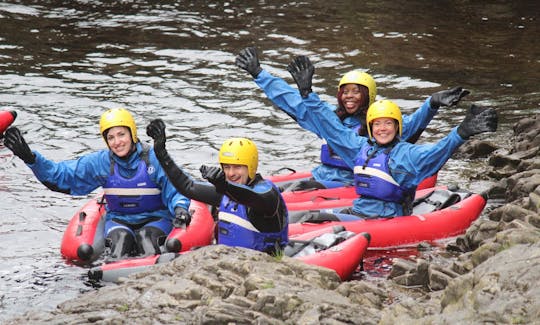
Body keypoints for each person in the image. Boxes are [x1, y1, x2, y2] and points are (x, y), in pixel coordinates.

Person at [270, 55, 497, 218]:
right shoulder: (360, 147)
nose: (382, 129)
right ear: (370, 127)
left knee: (312, 216)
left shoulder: (405, 155)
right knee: (302, 217)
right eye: (377, 125)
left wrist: (461, 132)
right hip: (359, 209)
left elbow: (437, 151)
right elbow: (329, 125)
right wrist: (307, 94)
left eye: (388, 124)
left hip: (385, 217)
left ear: (397, 127)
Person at [235, 47, 469, 190]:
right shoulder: (330, 120)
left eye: (356, 91)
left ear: (368, 95)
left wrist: (432, 103)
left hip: (351, 182)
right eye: (345, 91)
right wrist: (259, 73)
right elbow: (292, 100)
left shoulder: (379, 125)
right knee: (271, 184)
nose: (349, 96)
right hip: (323, 175)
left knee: (299, 187)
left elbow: (411, 125)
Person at [3, 108, 191, 260]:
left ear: (132, 134)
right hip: (119, 220)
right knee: (119, 243)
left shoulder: (153, 159)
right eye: (111, 137)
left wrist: (180, 209)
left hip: (155, 218)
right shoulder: (101, 162)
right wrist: (30, 158)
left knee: (146, 240)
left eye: (121, 134)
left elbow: (174, 188)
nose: (117, 142)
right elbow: (61, 176)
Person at [146, 119, 288, 255]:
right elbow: (188, 187)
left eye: (237, 167)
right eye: (226, 167)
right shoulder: (225, 192)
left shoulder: (267, 196)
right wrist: (161, 154)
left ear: (250, 167)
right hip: (228, 261)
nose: (231, 173)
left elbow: (250, 197)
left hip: (260, 265)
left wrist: (224, 186)